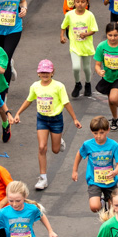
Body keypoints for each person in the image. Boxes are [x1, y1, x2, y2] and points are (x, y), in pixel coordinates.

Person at [11, 60, 82, 191]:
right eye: (42, 72)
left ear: (52, 72)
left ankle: (59, 140)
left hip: (56, 120)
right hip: (42, 120)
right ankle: (43, 178)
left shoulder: (59, 86)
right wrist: (18, 113)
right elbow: (28, 100)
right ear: (38, 73)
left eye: (47, 72)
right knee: (42, 147)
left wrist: (74, 119)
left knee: (55, 150)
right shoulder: (35, 86)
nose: (45, 74)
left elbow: (66, 103)